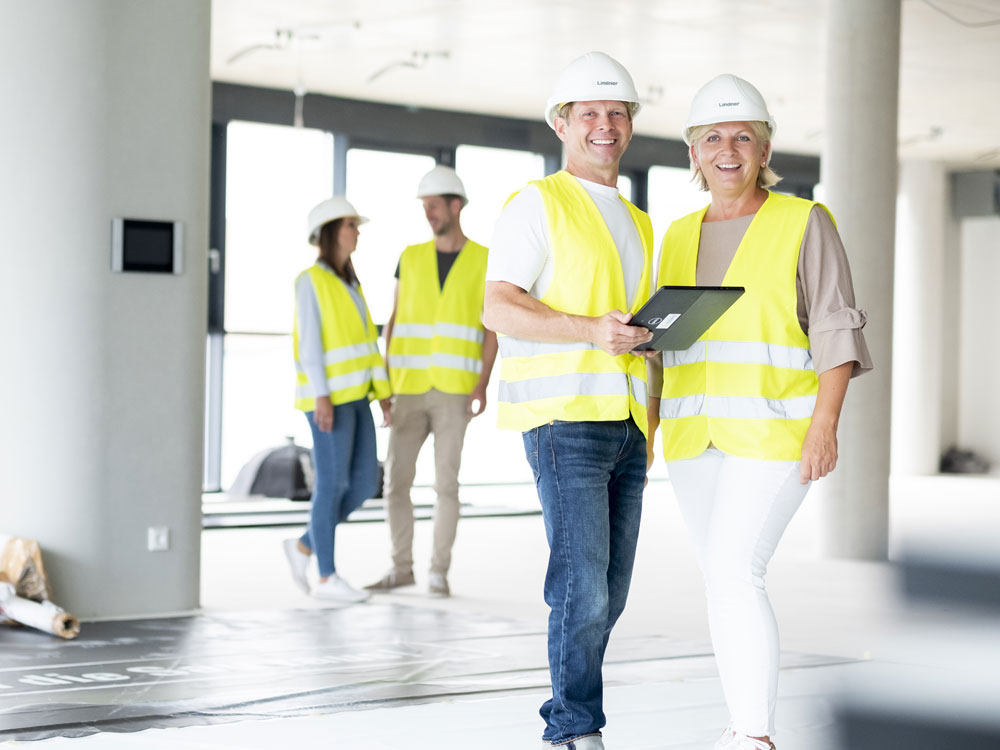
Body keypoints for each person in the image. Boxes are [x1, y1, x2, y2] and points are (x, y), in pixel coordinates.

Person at [646, 75, 873, 750]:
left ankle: (754, 736)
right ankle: (741, 722)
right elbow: (666, 345)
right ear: (692, 152)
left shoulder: (805, 220)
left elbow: (836, 326)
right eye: (712, 137)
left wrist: (825, 424)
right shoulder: (677, 235)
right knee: (721, 578)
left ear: (765, 146)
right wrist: (654, 427)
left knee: (738, 570)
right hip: (695, 437)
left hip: (777, 433)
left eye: (742, 136)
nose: (727, 149)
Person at [482, 52, 655, 750]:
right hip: (565, 423)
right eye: (590, 113)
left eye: (617, 113)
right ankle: (573, 730)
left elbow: (627, 320)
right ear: (562, 123)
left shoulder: (640, 221)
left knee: (608, 595)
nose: (605, 125)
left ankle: (576, 719)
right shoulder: (537, 203)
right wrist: (592, 331)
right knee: (580, 590)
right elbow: (499, 308)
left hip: (628, 425)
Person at [365, 166, 497, 598]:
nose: (429, 214)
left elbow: (490, 329)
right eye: (424, 207)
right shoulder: (410, 256)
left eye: (434, 206)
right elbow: (395, 321)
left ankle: (439, 571)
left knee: (446, 484)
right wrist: (384, 387)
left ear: (455, 206)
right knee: (396, 482)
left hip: (456, 388)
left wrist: (482, 384)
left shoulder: (484, 259)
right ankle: (401, 568)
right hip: (408, 387)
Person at [283, 196, 392, 603]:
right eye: (350, 224)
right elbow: (309, 344)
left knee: (364, 483)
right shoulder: (309, 280)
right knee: (330, 485)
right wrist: (322, 397)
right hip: (327, 400)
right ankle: (326, 577)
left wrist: (383, 396)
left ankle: (304, 545)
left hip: (358, 397)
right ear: (331, 232)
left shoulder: (350, 281)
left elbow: (367, 346)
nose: (357, 231)